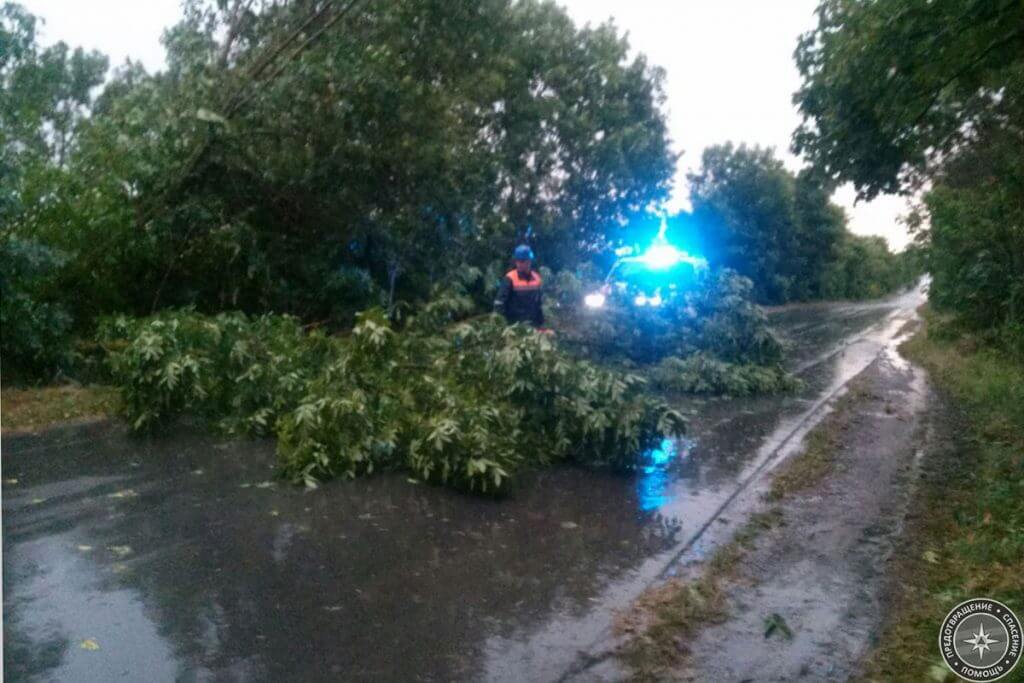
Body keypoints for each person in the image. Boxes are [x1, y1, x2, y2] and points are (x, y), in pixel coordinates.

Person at [494, 244, 549, 330]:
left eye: (522, 261)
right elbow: (499, 304)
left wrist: (540, 324)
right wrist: (501, 326)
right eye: (518, 261)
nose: (519, 264)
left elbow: (539, 305)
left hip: (532, 326)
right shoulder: (510, 278)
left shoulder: (537, 279)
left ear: (529, 261)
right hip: (514, 326)